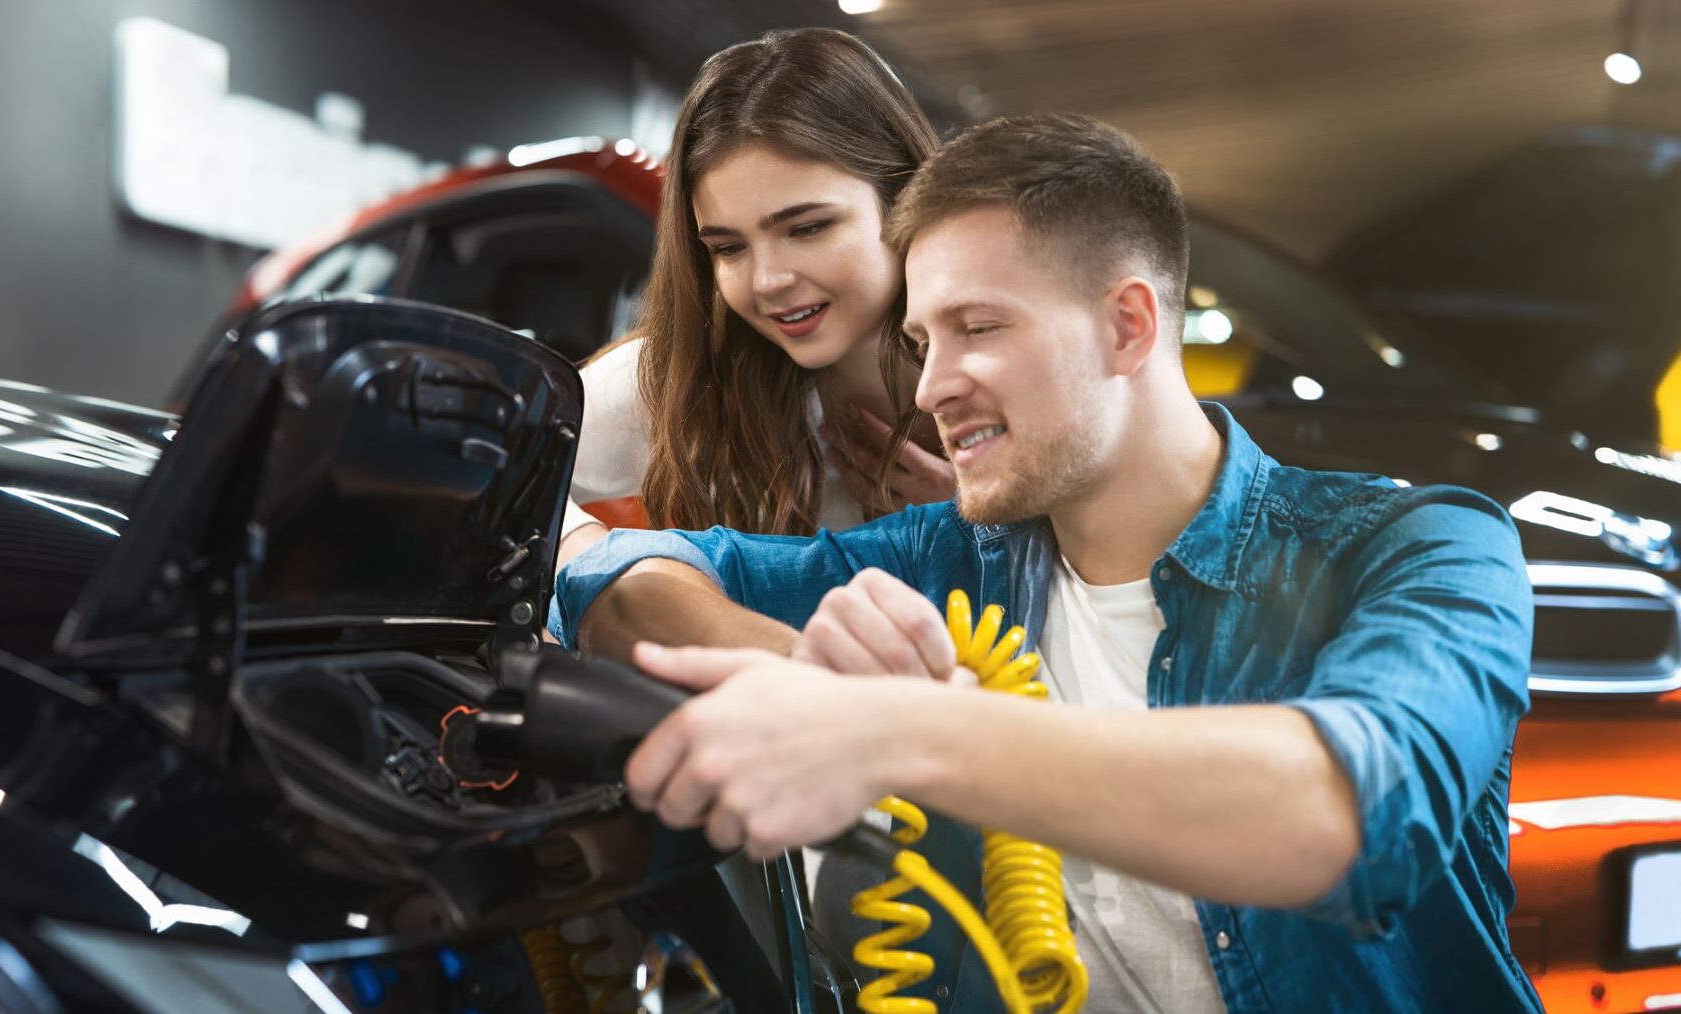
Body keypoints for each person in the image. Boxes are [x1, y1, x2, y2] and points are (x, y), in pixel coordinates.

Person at [551, 113, 1541, 1011]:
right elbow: (627, 574)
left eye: (979, 328)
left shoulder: (1425, 546)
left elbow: (1349, 817)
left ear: (1129, 326)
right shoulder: (943, 561)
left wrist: (894, 729)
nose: (934, 385)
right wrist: (769, 651)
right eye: (922, 339)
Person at [557, 26, 955, 570]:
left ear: (905, 196)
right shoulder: (681, 378)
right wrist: (596, 566)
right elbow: (491, 475)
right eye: (729, 248)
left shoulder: (1017, 369)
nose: (767, 281)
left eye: (807, 228)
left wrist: (983, 532)